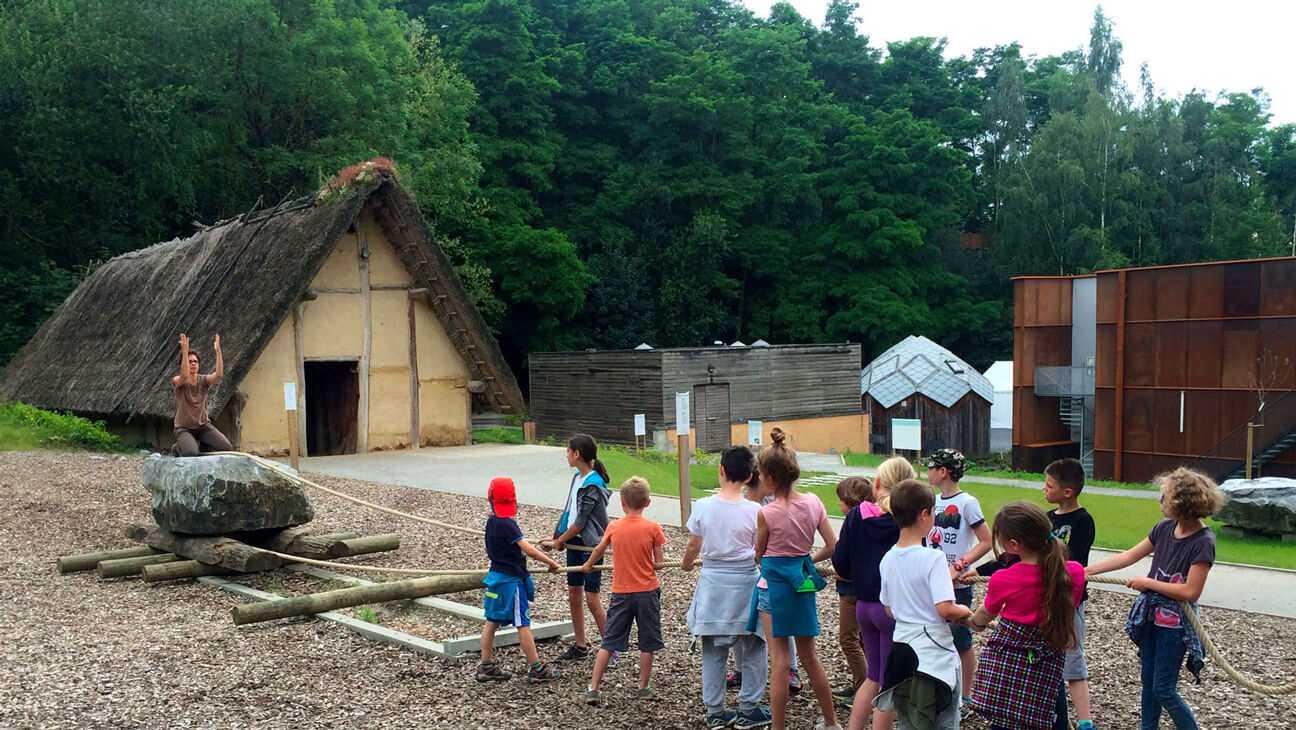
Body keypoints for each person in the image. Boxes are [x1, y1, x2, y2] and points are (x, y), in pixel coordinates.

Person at [1087, 468, 1223, 730]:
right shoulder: (1164, 528)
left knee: (1163, 688)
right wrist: (1086, 571)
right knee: (1149, 683)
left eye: (1164, 497)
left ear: (1182, 503)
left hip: (1175, 626)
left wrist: (1148, 583)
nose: (1159, 501)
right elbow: (1129, 556)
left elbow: (1190, 592)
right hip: (1150, 618)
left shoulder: (1203, 541)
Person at [746, 428, 840, 730]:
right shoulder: (814, 502)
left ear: (770, 479)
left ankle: (778, 727)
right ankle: (831, 721)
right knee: (809, 656)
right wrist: (805, 561)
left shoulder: (767, 513)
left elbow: (759, 554)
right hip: (803, 583)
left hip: (772, 588)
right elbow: (832, 545)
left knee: (780, 660)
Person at [963, 501, 1086, 730]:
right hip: (1049, 659)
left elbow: (983, 617)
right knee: (1050, 715)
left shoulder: (1004, 578)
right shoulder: (1075, 573)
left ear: (1013, 545)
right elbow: (1067, 608)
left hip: (1010, 666)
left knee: (1005, 721)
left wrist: (971, 621)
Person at [681, 445, 772, 729]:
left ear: (721, 470)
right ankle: (748, 707)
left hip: (713, 582)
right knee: (755, 645)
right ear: (748, 477)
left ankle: (715, 710)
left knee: (713, 649)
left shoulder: (704, 506)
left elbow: (694, 543)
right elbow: (759, 549)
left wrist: (686, 563)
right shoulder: (755, 510)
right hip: (746, 580)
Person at [873, 479, 973, 730]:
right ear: (925, 514)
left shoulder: (888, 559)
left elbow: (889, 609)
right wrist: (965, 611)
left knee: (908, 718)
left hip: (903, 651)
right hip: (934, 655)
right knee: (943, 720)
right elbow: (945, 609)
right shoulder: (934, 558)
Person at [837, 456, 913, 730]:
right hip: (892, 609)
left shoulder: (856, 515)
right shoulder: (906, 520)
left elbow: (840, 561)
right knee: (888, 681)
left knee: (872, 677)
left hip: (863, 606)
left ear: (877, 483)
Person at [582, 476, 667, 704]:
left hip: (621, 592)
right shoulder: (653, 527)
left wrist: (588, 565)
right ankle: (643, 686)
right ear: (648, 503)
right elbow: (659, 562)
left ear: (621, 502)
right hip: (647, 591)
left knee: (609, 640)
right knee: (647, 641)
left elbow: (600, 549)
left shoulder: (614, 526)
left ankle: (593, 687)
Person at [474, 477, 564, 683]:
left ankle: (485, 666)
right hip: (511, 583)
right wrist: (551, 562)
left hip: (495, 579)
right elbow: (529, 550)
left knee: (491, 622)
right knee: (523, 624)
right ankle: (537, 668)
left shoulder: (491, 522)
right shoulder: (508, 524)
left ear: (490, 499)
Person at [923, 448, 992, 711]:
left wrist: (959, 566)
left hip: (957, 586)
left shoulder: (967, 503)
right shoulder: (932, 500)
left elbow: (986, 540)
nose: (927, 471)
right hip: (932, 582)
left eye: (931, 467)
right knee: (933, 636)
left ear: (943, 472)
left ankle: (965, 697)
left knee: (961, 641)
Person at [544, 434, 611, 662]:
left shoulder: (593, 484)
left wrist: (560, 541)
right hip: (574, 542)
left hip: (592, 545)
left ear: (577, 454)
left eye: (568, 451)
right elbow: (569, 511)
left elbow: (581, 522)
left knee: (592, 597)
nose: (566, 455)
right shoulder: (577, 477)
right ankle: (581, 646)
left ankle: (610, 649)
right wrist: (556, 537)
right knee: (574, 594)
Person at [1042, 458, 1097, 730]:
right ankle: (1051, 716)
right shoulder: (1047, 518)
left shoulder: (1083, 521)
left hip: (1069, 600)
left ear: (1068, 492)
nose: (1044, 489)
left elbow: (1077, 565)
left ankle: (1085, 722)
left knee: (1073, 661)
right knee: (1047, 660)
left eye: (1049, 485)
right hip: (1046, 599)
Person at [829, 477, 874, 707]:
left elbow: (843, 558)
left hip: (851, 591)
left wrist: (842, 572)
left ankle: (865, 687)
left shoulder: (852, 523)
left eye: (841, 499)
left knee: (847, 639)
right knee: (865, 639)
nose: (838, 504)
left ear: (850, 500)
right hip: (866, 591)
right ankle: (861, 683)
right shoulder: (872, 522)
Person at [172, 333, 233, 456]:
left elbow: (219, 374)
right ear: (184, 364)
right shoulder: (178, 381)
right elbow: (184, 375)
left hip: (202, 426)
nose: (193, 364)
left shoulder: (203, 380)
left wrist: (218, 351)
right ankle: (178, 448)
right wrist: (185, 351)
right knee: (191, 453)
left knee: (227, 447)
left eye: (195, 361)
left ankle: (205, 444)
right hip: (184, 428)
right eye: (190, 362)